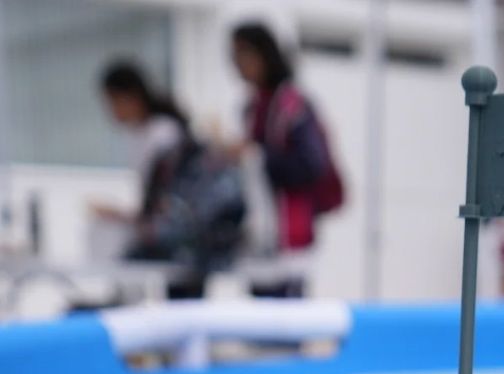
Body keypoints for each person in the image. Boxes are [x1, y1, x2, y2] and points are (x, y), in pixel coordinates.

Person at [94, 62, 244, 299]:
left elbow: (166, 197)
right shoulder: (139, 134)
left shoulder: (162, 133)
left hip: (184, 237)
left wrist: (141, 217)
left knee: (178, 298)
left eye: (113, 102)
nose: (111, 111)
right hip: (170, 231)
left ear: (130, 97)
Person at [229, 22, 344, 296]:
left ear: (264, 54)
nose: (236, 63)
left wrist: (256, 154)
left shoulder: (292, 104)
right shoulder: (251, 107)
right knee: (260, 311)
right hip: (259, 232)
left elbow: (311, 165)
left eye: (243, 53)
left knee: (285, 314)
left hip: (289, 233)